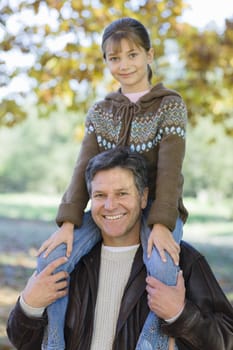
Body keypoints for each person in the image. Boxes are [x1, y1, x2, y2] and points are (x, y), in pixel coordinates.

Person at [37, 17, 188, 350]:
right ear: (105, 62)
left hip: (154, 208)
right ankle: (53, 341)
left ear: (149, 55)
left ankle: (151, 344)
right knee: (52, 259)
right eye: (114, 58)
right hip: (109, 207)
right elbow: (82, 169)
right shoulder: (101, 110)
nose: (124, 65)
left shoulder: (169, 105)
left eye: (132, 55)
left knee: (162, 267)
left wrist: (162, 223)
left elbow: (170, 170)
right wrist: (67, 223)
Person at [7, 147, 233, 350]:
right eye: (100, 195)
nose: (110, 205)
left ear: (143, 197)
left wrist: (180, 315)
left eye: (122, 194)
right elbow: (22, 341)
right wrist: (29, 306)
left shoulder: (181, 260)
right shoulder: (68, 261)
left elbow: (227, 340)